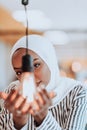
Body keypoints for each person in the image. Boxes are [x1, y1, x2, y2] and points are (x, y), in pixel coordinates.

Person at [0, 34, 87, 130]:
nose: (29, 77)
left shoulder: (77, 92)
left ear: (50, 61)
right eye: (19, 72)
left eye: (36, 65)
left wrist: (43, 118)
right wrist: (18, 124)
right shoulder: (13, 93)